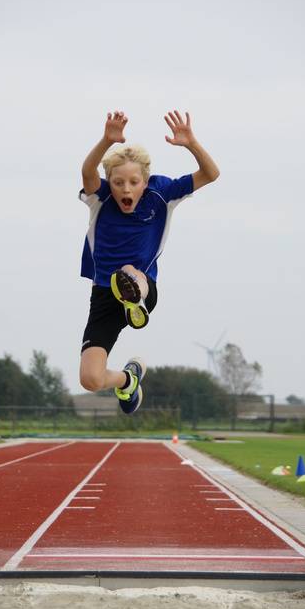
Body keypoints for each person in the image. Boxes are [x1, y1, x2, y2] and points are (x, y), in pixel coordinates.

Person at [79, 109, 220, 414]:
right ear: (110, 182)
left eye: (132, 182)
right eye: (118, 183)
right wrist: (106, 140)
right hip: (104, 294)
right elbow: (87, 171)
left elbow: (211, 174)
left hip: (144, 286)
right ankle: (128, 380)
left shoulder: (162, 193)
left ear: (145, 180)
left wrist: (191, 143)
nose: (125, 189)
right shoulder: (100, 199)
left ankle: (134, 296)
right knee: (90, 379)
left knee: (129, 271)